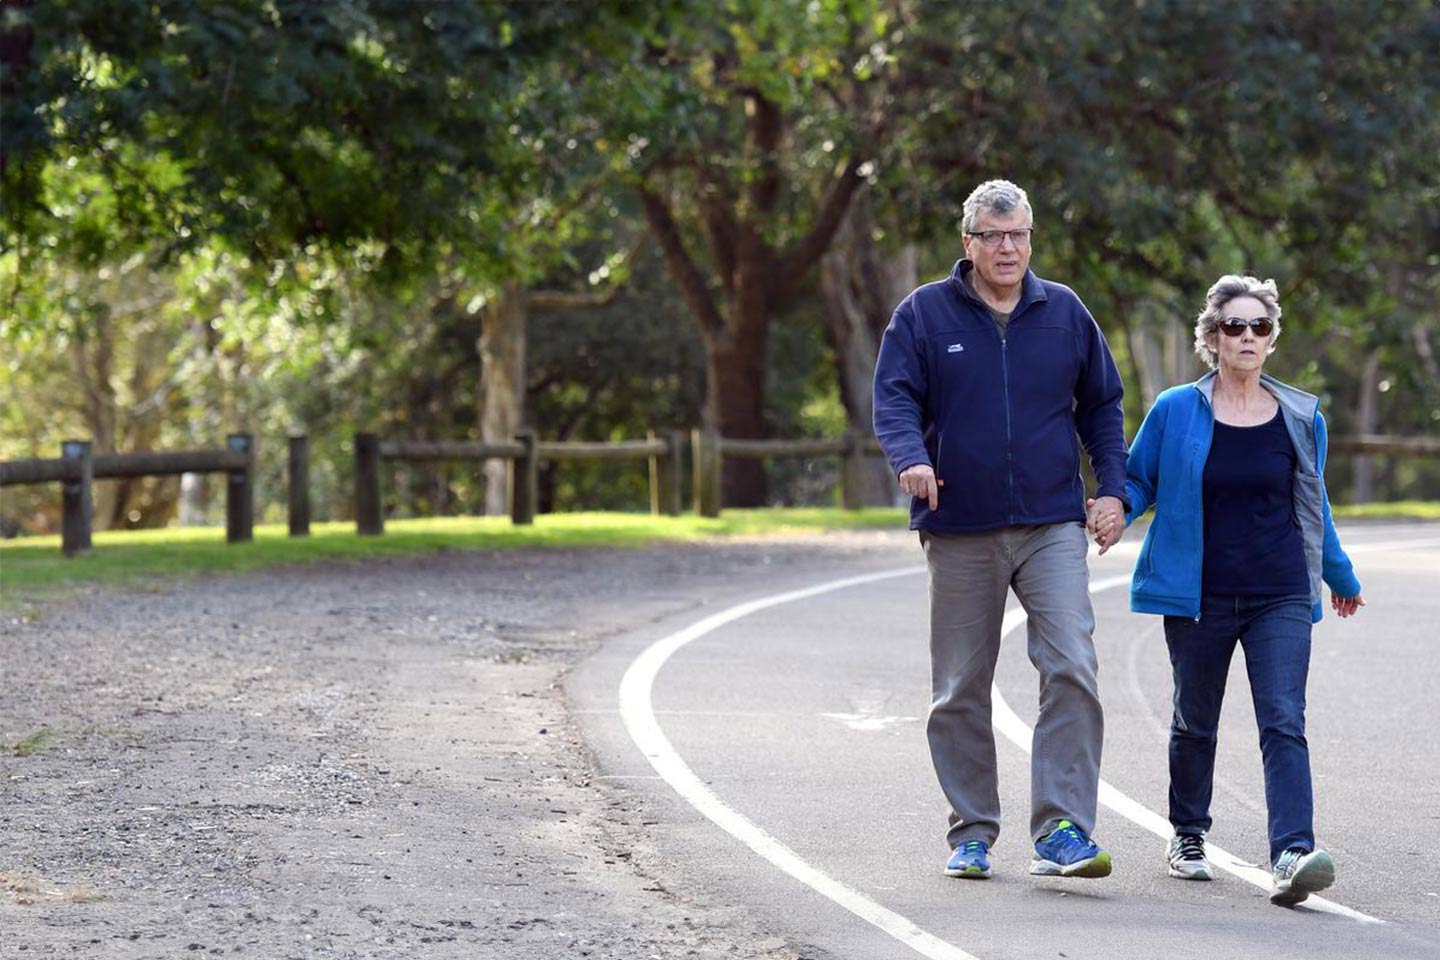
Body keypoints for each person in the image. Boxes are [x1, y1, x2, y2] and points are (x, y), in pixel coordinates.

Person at [872, 179, 1128, 881]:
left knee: (1072, 662)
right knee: (960, 684)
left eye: (1019, 234)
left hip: (1050, 522)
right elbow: (893, 398)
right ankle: (973, 831)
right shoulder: (924, 315)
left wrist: (1112, 491)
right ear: (970, 244)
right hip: (959, 523)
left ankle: (1063, 829)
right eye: (994, 235)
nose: (1009, 247)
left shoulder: (1066, 313)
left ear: (1030, 238)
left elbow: (1103, 407)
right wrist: (911, 459)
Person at [1118, 274, 1365, 907]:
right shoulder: (1177, 408)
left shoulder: (1300, 417)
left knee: (1284, 720)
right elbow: (1139, 479)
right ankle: (1188, 835)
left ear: (1271, 339)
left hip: (1279, 590)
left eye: (1260, 326)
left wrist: (1339, 575)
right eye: (1235, 326)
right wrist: (1114, 508)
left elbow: (1316, 505)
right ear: (1212, 338)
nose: (1248, 336)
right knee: (1194, 721)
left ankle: (1292, 852)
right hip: (1199, 594)